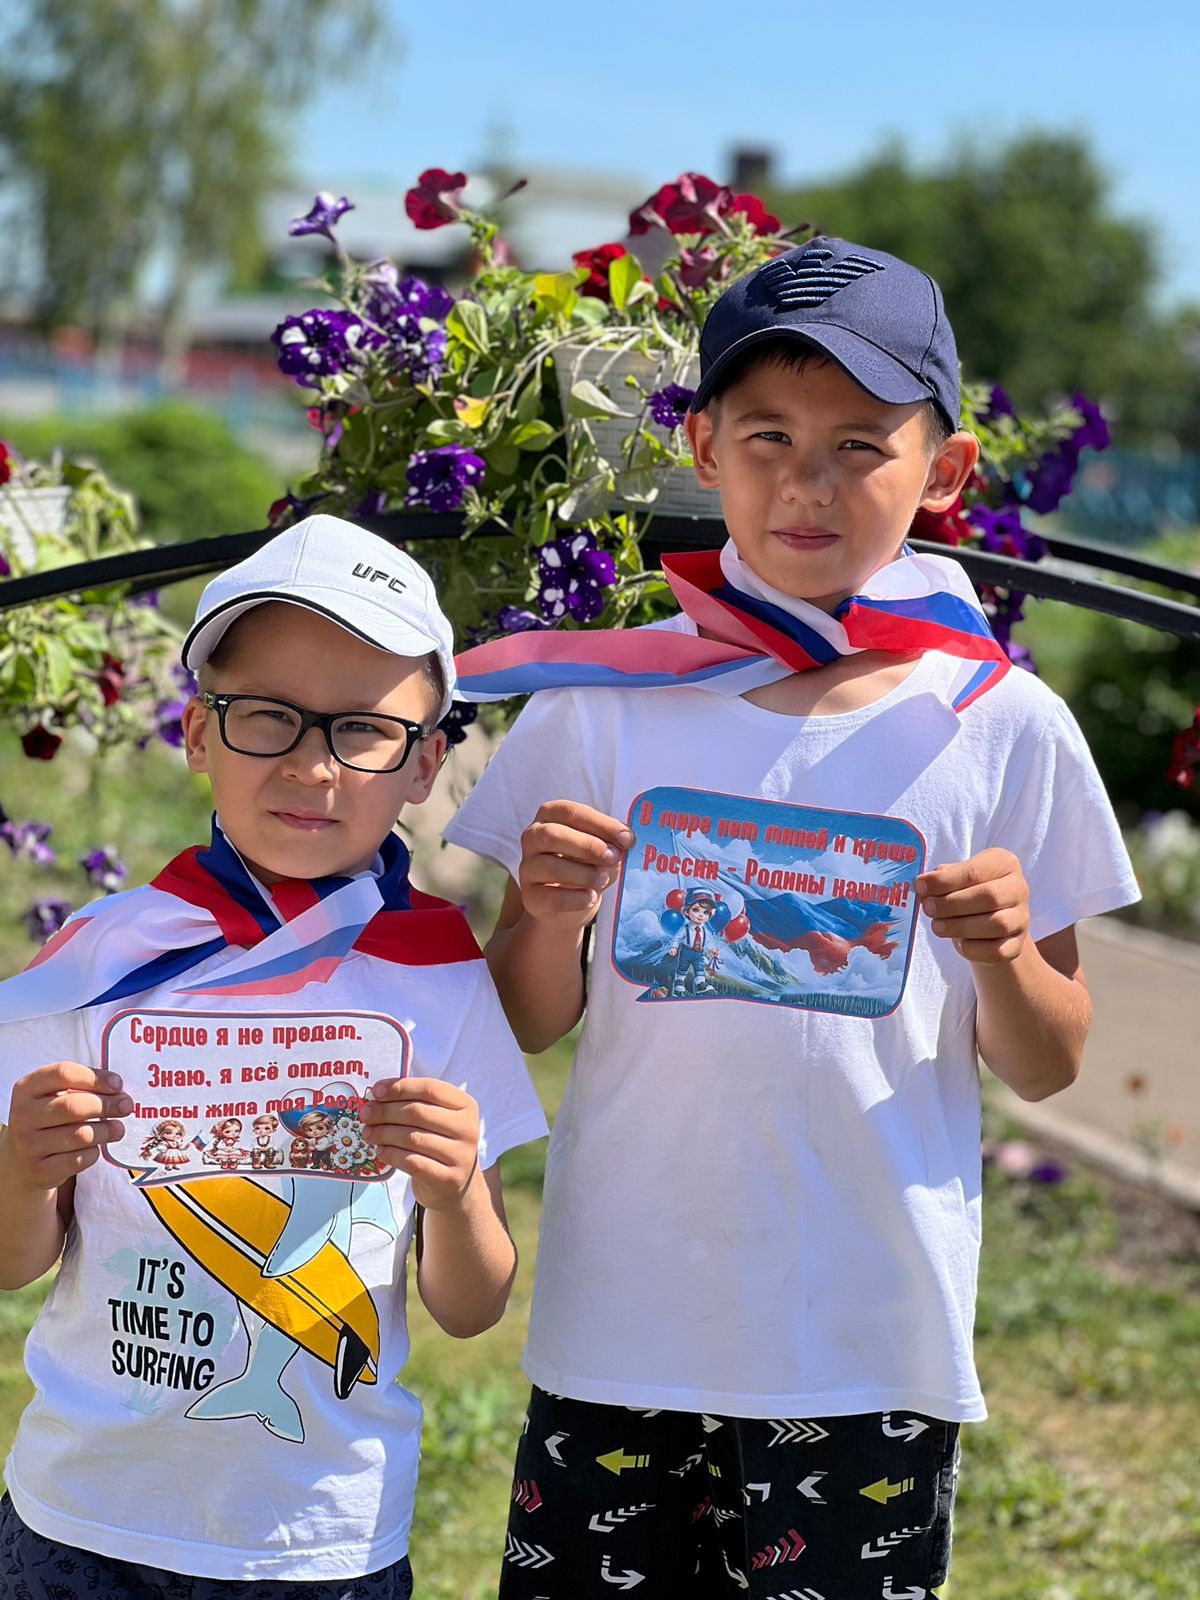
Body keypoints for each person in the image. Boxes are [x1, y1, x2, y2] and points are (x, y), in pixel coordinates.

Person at [444, 237, 1141, 1598]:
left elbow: (1052, 1057)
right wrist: (541, 915)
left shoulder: (1001, 725)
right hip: (622, 1320)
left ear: (944, 474)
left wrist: (1001, 955)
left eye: (860, 445)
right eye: (766, 436)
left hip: (867, 1334)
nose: (806, 483)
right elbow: (521, 1019)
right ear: (702, 447)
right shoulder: (605, 700)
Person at [0, 515, 548, 1599]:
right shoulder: (99, 958)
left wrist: (454, 1196)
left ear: (425, 762)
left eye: (363, 730)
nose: (311, 764)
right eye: (269, 717)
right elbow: (13, 1260)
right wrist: (25, 1167)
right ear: (199, 731)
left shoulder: (440, 975)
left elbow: (474, 1305)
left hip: (319, 1541)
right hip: (81, 1515)